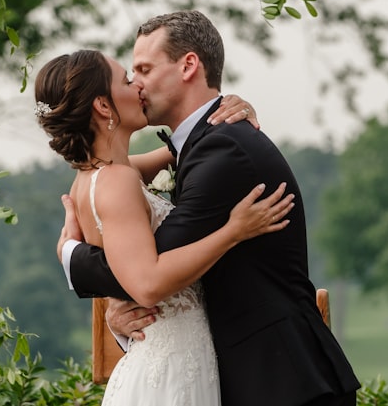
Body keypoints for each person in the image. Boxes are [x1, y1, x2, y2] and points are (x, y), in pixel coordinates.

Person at [59, 10, 360, 406]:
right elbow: (105, 182)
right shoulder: (197, 147)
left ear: (188, 66)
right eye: (129, 76)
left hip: (284, 381)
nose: (137, 85)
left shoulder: (223, 150)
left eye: (144, 70)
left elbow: (150, 270)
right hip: (250, 375)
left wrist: (71, 254)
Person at [35, 49, 294, 405]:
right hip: (168, 372)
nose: (138, 86)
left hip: (179, 360)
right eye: (127, 79)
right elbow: (148, 285)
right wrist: (233, 231)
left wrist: (229, 107)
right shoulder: (115, 182)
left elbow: (192, 147)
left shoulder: (102, 175)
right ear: (103, 106)